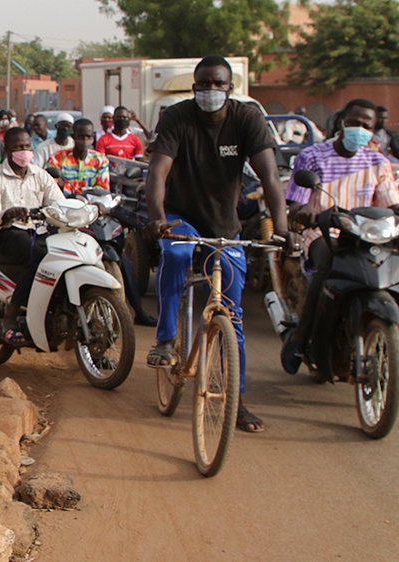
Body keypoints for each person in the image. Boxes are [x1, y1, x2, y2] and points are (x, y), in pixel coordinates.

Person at [143, 55, 290, 433]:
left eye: (218, 84)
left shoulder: (247, 119)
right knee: (175, 255)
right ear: (194, 89)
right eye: (203, 84)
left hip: (225, 223)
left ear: (230, 88)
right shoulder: (177, 117)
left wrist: (283, 226)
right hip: (181, 218)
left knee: (232, 314)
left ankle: (236, 403)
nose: (210, 91)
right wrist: (158, 217)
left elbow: (270, 176)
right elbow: (158, 171)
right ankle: (165, 339)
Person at [280, 98, 399, 375]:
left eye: (366, 125)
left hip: (367, 237)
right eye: (354, 123)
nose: (360, 129)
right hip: (324, 233)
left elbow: (390, 204)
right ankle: (300, 337)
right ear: (341, 122)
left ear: (373, 130)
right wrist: (306, 210)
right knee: (329, 266)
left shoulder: (377, 162)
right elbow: (295, 204)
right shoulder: (313, 156)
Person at [0, 127, 68, 343]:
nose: (24, 151)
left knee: (64, 256)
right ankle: (10, 317)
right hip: (7, 232)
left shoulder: (41, 175)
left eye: (27, 146)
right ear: (7, 149)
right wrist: (7, 213)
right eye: (18, 147)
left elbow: (61, 204)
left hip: (39, 230)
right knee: (38, 258)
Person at [45, 119, 111, 194]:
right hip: (63, 202)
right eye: (81, 136)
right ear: (73, 136)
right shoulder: (56, 159)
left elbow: (102, 189)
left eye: (88, 136)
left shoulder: (101, 160)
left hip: (92, 203)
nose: (85, 140)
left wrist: (66, 187)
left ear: (93, 137)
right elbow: (52, 185)